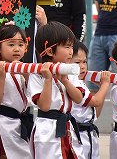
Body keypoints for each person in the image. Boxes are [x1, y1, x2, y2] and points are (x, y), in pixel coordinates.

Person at [28, 21, 83, 158]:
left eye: (72, 47)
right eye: (67, 47)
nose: (71, 52)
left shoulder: (70, 71)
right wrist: (48, 79)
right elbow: (45, 106)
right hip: (47, 130)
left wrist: (65, 80)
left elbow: (78, 98)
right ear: (50, 50)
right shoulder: (37, 74)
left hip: (68, 126)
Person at [0, 24, 31, 159]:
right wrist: (0, 78)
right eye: (11, 45)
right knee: (3, 155)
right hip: (2, 122)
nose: (17, 49)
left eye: (20, 44)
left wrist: (26, 76)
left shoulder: (25, 69)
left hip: (19, 122)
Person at [70, 41, 111, 159]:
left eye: (84, 62)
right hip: (76, 136)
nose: (82, 66)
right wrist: (104, 85)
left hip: (88, 134)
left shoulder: (81, 83)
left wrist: (100, 88)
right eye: (77, 62)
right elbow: (96, 101)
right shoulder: (73, 83)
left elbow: (95, 114)